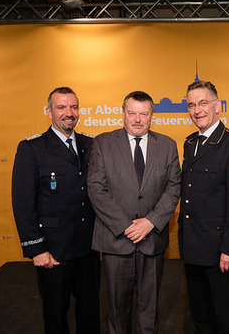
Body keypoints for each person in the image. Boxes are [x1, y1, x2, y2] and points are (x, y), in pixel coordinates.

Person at [87, 91, 181, 334]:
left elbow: (173, 188)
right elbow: (96, 189)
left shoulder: (168, 146)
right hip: (116, 240)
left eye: (144, 113)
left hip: (152, 240)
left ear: (152, 116)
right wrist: (126, 226)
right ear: (123, 114)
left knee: (149, 308)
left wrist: (150, 222)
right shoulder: (102, 143)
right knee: (117, 309)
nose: (138, 119)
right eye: (132, 113)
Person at [12, 87, 100, 333]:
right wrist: (37, 248)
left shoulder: (91, 145)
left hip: (88, 249)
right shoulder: (32, 149)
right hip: (53, 251)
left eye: (73, 107)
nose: (68, 113)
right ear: (49, 111)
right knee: (55, 315)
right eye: (61, 107)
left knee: (91, 313)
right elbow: (22, 203)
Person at [179, 80, 229, 334]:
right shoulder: (190, 143)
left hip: (220, 252)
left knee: (226, 318)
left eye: (203, 103)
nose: (197, 110)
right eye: (191, 104)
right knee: (201, 316)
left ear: (217, 106)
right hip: (192, 247)